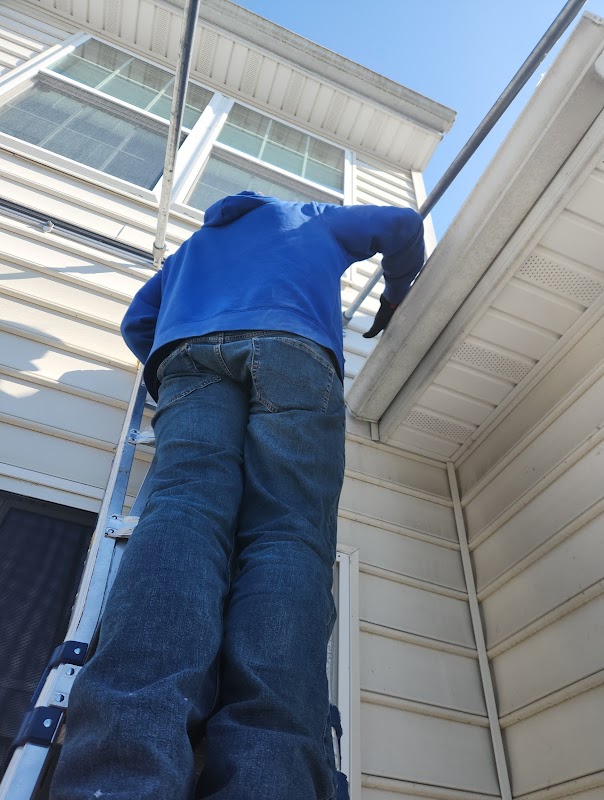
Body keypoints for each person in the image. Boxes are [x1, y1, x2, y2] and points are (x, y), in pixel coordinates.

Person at [50, 191, 425, 800]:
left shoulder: (192, 249)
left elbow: (136, 323)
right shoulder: (310, 216)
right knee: (287, 536)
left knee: (180, 512)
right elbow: (402, 225)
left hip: (191, 358)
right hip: (294, 348)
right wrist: (396, 291)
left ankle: (118, 775)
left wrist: (179, 359)